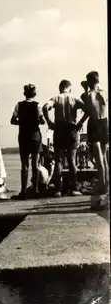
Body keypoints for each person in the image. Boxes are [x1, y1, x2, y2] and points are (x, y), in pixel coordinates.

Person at [42, 79, 87, 197]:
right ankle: (74, 189)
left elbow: (45, 107)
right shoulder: (74, 99)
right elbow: (87, 109)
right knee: (72, 160)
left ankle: (58, 190)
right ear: (70, 88)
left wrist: (49, 122)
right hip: (72, 129)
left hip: (59, 130)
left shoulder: (55, 98)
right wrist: (81, 122)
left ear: (60, 88)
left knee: (58, 160)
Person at [79, 71, 109, 210]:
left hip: (95, 123)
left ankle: (102, 187)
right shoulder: (104, 92)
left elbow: (87, 106)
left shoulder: (86, 95)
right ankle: (105, 184)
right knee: (104, 157)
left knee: (99, 159)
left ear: (89, 82)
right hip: (105, 123)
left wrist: (86, 87)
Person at [10, 84, 45, 198]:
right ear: (34, 94)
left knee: (24, 164)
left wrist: (23, 122)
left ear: (24, 93)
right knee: (35, 164)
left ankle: (23, 191)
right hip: (35, 136)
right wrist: (35, 121)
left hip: (23, 136)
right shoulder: (37, 105)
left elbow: (12, 121)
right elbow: (43, 121)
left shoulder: (18, 105)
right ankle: (35, 190)